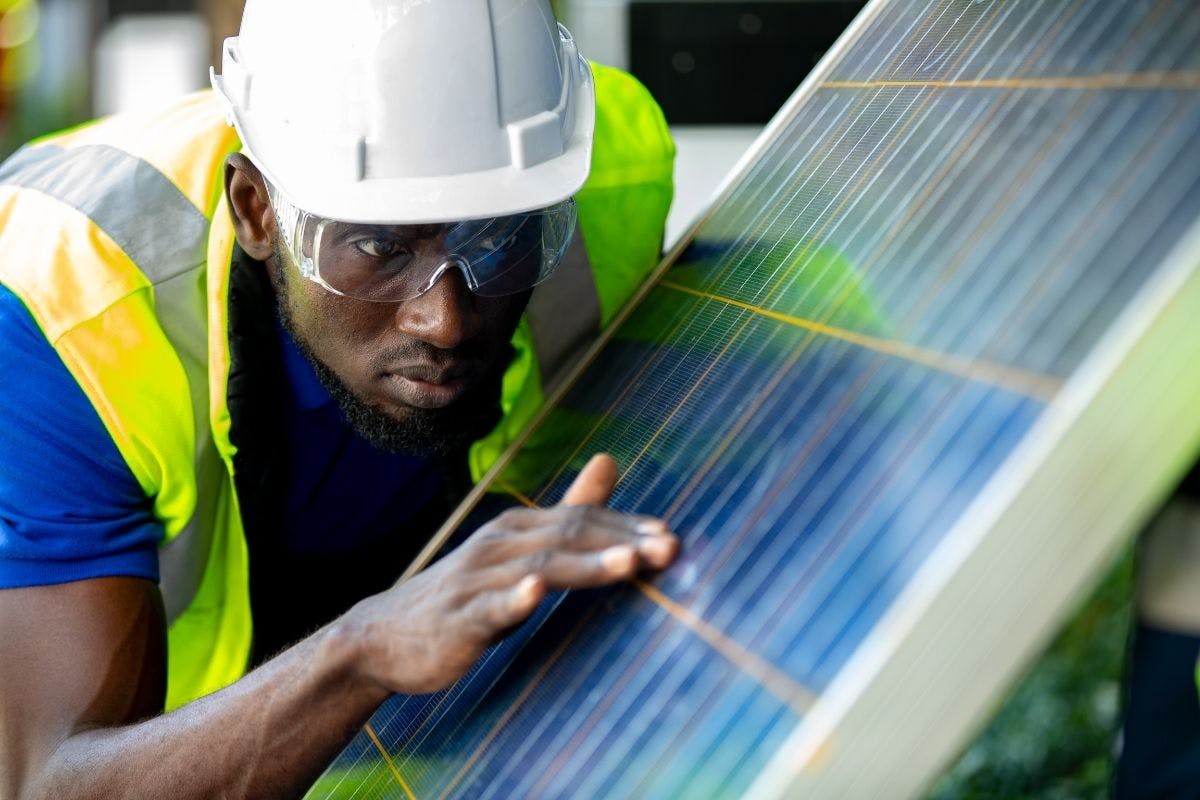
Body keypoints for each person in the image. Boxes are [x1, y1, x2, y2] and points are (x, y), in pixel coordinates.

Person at [0, 0, 679, 796]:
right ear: (257, 211)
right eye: (379, 248)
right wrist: (364, 648)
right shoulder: (71, 318)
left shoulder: (596, 169)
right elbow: (46, 784)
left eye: (493, 240)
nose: (446, 320)